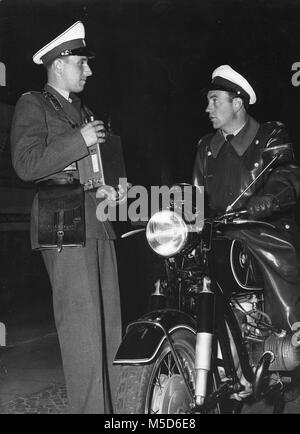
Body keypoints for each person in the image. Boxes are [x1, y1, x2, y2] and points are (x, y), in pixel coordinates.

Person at [10, 21, 122, 414]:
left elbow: (83, 170)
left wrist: (105, 188)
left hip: (96, 223)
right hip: (63, 226)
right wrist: (81, 140)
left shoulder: (82, 110)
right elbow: (25, 164)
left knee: (109, 331)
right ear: (58, 65)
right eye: (81, 63)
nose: (88, 71)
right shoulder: (33, 104)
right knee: (83, 337)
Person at [193, 64, 300, 332]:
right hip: (218, 234)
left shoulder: (269, 135)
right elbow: (194, 196)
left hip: (263, 230)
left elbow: (286, 174)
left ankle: (287, 335)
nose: (208, 108)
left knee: (281, 269)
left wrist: (270, 198)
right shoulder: (206, 146)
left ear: (237, 103)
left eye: (214, 100)